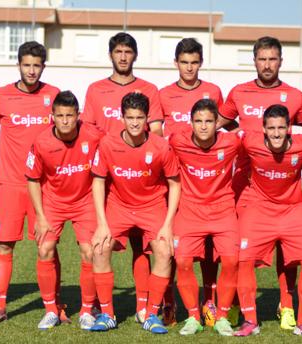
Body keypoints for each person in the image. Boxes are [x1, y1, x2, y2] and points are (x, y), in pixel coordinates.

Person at [219, 36, 302, 330]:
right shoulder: (238, 92)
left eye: (273, 59)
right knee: (237, 253)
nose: (267, 64)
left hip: (282, 185)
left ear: (281, 62)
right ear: (254, 60)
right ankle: (237, 307)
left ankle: (287, 306)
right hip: (245, 187)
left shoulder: (296, 96)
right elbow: (218, 124)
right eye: (262, 58)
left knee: (288, 253)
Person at [0, 41, 66, 324]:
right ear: (19, 65)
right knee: (5, 245)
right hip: (11, 184)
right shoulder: (3, 95)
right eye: (27, 65)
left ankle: (56, 306)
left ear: (43, 66)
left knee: (48, 247)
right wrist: (0, 140)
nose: (31, 71)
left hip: (45, 187)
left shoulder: (53, 95)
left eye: (37, 65)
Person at [82, 32, 164, 323]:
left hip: (139, 179)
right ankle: (90, 305)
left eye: (128, 52)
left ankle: (144, 307)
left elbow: (155, 132)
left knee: (142, 247)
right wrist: (111, 153)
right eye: (118, 51)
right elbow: (89, 132)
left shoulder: (149, 89)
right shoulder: (95, 90)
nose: (123, 56)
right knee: (96, 242)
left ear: (135, 55)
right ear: (111, 55)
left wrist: (130, 154)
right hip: (106, 178)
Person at [89, 92, 181, 334]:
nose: (134, 123)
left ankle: (151, 314)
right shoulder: (108, 143)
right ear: (122, 117)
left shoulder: (161, 146)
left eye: (139, 117)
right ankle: (107, 314)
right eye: (130, 117)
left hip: (152, 206)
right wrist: (101, 223)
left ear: (146, 118)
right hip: (119, 205)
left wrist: (168, 224)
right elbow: (98, 181)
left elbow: (175, 184)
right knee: (98, 248)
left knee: (164, 251)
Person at [234, 104, 302, 337]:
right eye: (271, 128)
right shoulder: (250, 142)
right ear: (263, 129)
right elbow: (226, 141)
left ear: (289, 128)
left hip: (293, 209)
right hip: (259, 209)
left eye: (282, 127)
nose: (277, 133)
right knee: (243, 260)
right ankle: (250, 320)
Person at [159, 37, 225, 326]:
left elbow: (223, 130)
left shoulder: (213, 92)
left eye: (194, 62)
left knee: (211, 246)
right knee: (175, 246)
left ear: (201, 63)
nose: (189, 67)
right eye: (184, 62)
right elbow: (156, 136)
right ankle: (170, 301)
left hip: (206, 180)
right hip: (174, 178)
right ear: (176, 63)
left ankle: (210, 300)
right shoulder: (163, 95)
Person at [25, 91, 105, 330]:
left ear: (78, 115)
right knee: (45, 248)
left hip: (85, 201)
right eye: (60, 115)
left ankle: (88, 310)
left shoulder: (93, 136)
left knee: (89, 251)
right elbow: (32, 178)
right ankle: (51, 310)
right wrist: (40, 216)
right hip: (53, 202)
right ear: (52, 117)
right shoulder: (41, 142)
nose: (65, 120)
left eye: (70, 115)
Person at [169, 99, 240, 336]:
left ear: (217, 123)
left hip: (223, 210)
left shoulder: (231, 142)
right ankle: (192, 316)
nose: (203, 126)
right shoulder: (178, 141)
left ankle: (222, 317)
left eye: (209, 121)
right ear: (190, 123)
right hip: (190, 211)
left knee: (231, 261)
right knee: (182, 262)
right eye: (198, 121)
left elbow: (259, 141)